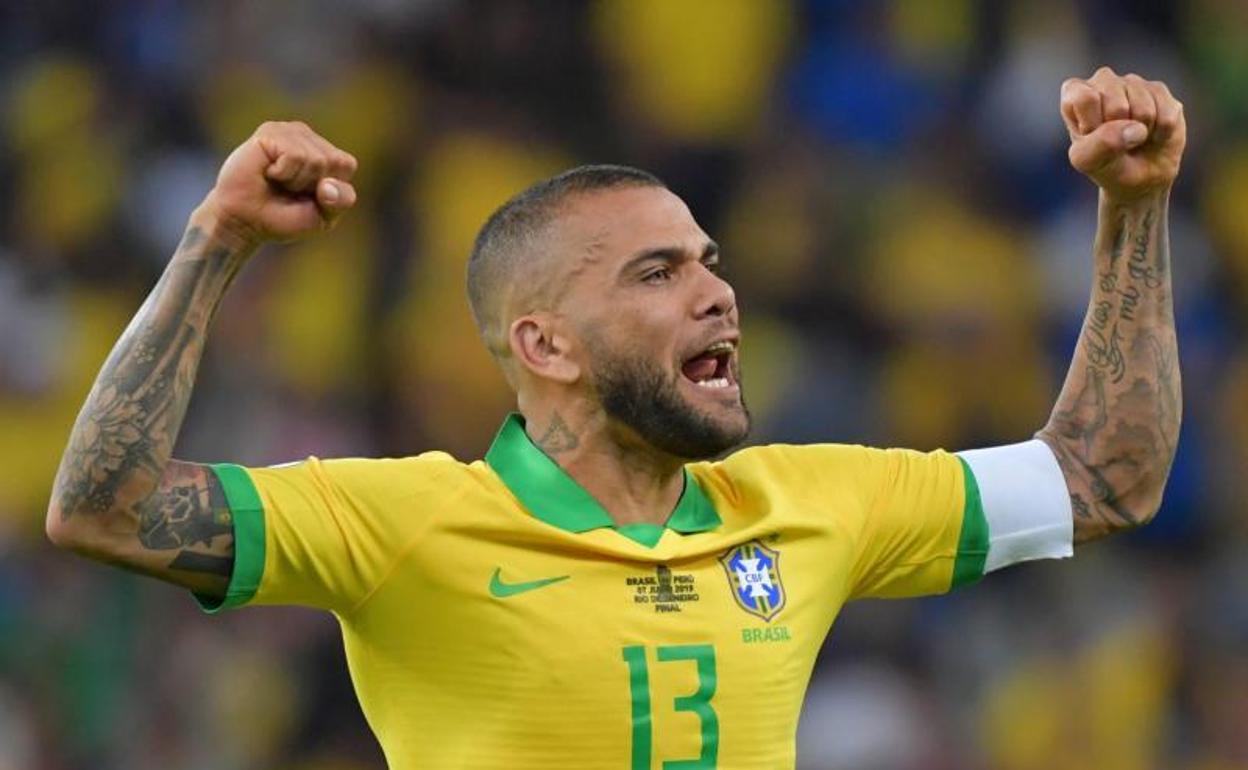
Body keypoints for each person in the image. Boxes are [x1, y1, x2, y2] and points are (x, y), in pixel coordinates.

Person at [46, 66, 1184, 769]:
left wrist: (1133, 211)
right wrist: (218, 241)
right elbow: (105, 508)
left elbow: (1101, 477)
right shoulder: (401, 522)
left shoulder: (814, 502)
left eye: (709, 260)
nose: (715, 291)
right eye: (656, 273)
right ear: (545, 344)